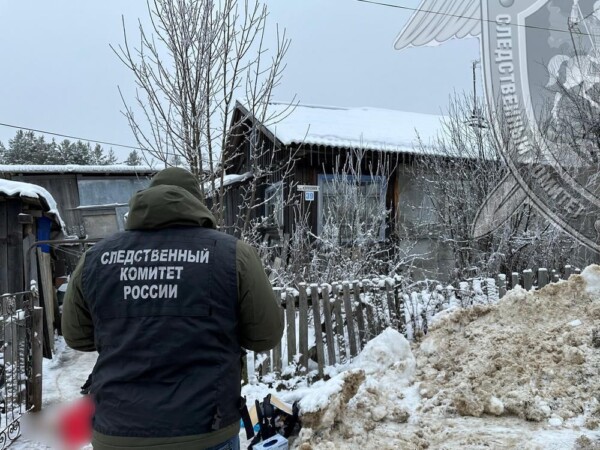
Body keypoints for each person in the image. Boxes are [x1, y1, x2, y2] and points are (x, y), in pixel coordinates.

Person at [62, 167, 284, 450]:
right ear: (196, 202)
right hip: (206, 429)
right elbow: (266, 336)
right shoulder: (232, 254)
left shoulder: (95, 258)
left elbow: (76, 337)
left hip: (118, 431)